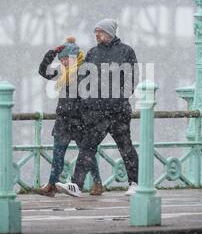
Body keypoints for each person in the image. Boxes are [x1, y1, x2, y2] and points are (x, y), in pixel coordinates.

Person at [55, 19, 139, 197]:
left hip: (119, 112)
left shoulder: (126, 51)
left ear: (110, 33)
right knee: (87, 147)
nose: (97, 35)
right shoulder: (92, 53)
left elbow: (132, 79)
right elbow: (83, 80)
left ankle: (134, 183)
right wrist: (86, 103)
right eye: (95, 32)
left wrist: (119, 98)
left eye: (100, 32)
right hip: (96, 112)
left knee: (126, 147)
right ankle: (76, 185)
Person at [35, 36, 103, 197]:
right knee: (58, 154)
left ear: (75, 56)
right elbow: (43, 71)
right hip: (63, 120)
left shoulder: (86, 71)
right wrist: (52, 53)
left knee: (86, 154)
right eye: (62, 59)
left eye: (67, 58)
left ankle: (97, 183)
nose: (64, 62)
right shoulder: (62, 72)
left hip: (81, 121)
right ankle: (51, 184)